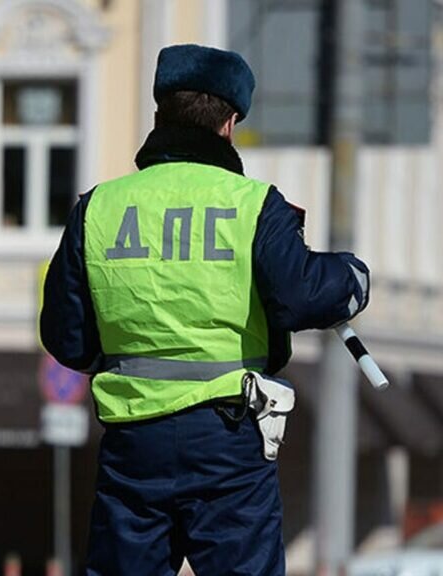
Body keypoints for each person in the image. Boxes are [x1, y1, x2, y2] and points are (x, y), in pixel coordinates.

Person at [39, 44, 370, 575]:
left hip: (133, 440)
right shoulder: (255, 203)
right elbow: (302, 293)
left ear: (159, 114)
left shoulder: (98, 206)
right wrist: (352, 276)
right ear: (230, 123)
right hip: (228, 435)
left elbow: (66, 338)